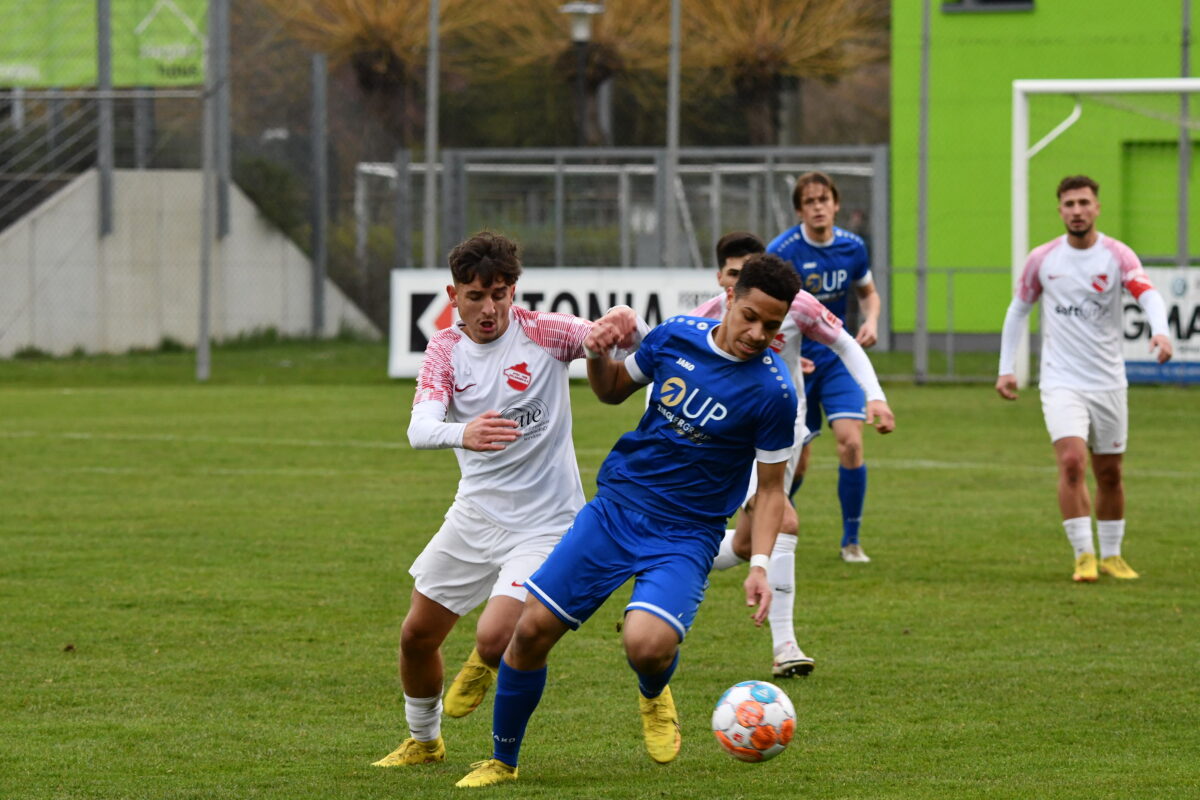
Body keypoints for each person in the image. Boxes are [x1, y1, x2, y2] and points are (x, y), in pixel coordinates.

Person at [455, 254, 805, 788]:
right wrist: (596, 355)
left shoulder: (774, 392)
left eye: (772, 325)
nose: (758, 333)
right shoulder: (676, 336)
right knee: (529, 633)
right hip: (616, 510)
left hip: (687, 533)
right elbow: (612, 388)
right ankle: (502, 760)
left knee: (646, 645)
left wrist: (759, 563)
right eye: (750, 316)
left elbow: (774, 489)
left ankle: (653, 691)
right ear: (729, 300)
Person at [372, 231, 639, 768]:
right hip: (475, 514)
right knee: (416, 636)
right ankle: (425, 742)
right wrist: (462, 432)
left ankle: (492, 702)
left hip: (545, 523)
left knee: (495, 636)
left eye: (500, 293)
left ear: (513, 290)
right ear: (453, 296)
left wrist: (624, 321)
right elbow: (419, 428)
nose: (489, 308)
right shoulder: (445, 349)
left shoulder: (545, 332)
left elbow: (621, 342)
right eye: (475, 296)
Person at [695, 232, 894, 679]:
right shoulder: (707, 314)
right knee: (783, 518)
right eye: (732, 275)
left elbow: (845, 343)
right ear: (728, 285)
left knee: (747, 543)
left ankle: (665, 558)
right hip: (732, 435)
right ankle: (785, 645)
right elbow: (669, 359)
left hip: (784, 431)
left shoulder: (796, 306)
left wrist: (875, 397)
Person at [996, 174, 1173, 583]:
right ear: (1060, 210)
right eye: (1069, 204)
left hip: (1108, 382)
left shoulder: (1117, 256)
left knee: (1110, 472)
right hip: (1061, 382)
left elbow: (1147, 293)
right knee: (1072, 462)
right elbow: (1018, 310)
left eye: (1084, 203)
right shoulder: (1043, 259)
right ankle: (1083, 555)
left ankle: (1112, 555)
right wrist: (1007, 367)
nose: (1077, 211)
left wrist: (1160, 331)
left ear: (1097, 207)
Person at [768, 171, 884, 563]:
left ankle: (851, 540)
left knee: (851, 441)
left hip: (834, 358)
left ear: (835, 204)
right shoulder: (782, 250)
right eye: (809, 201)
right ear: (800, 210)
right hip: (796, 363)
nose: (818, 207)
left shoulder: (853, 247)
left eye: (824, 199)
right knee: (796, 461)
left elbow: (868, 293)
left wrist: (871, 321)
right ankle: (771, 523)